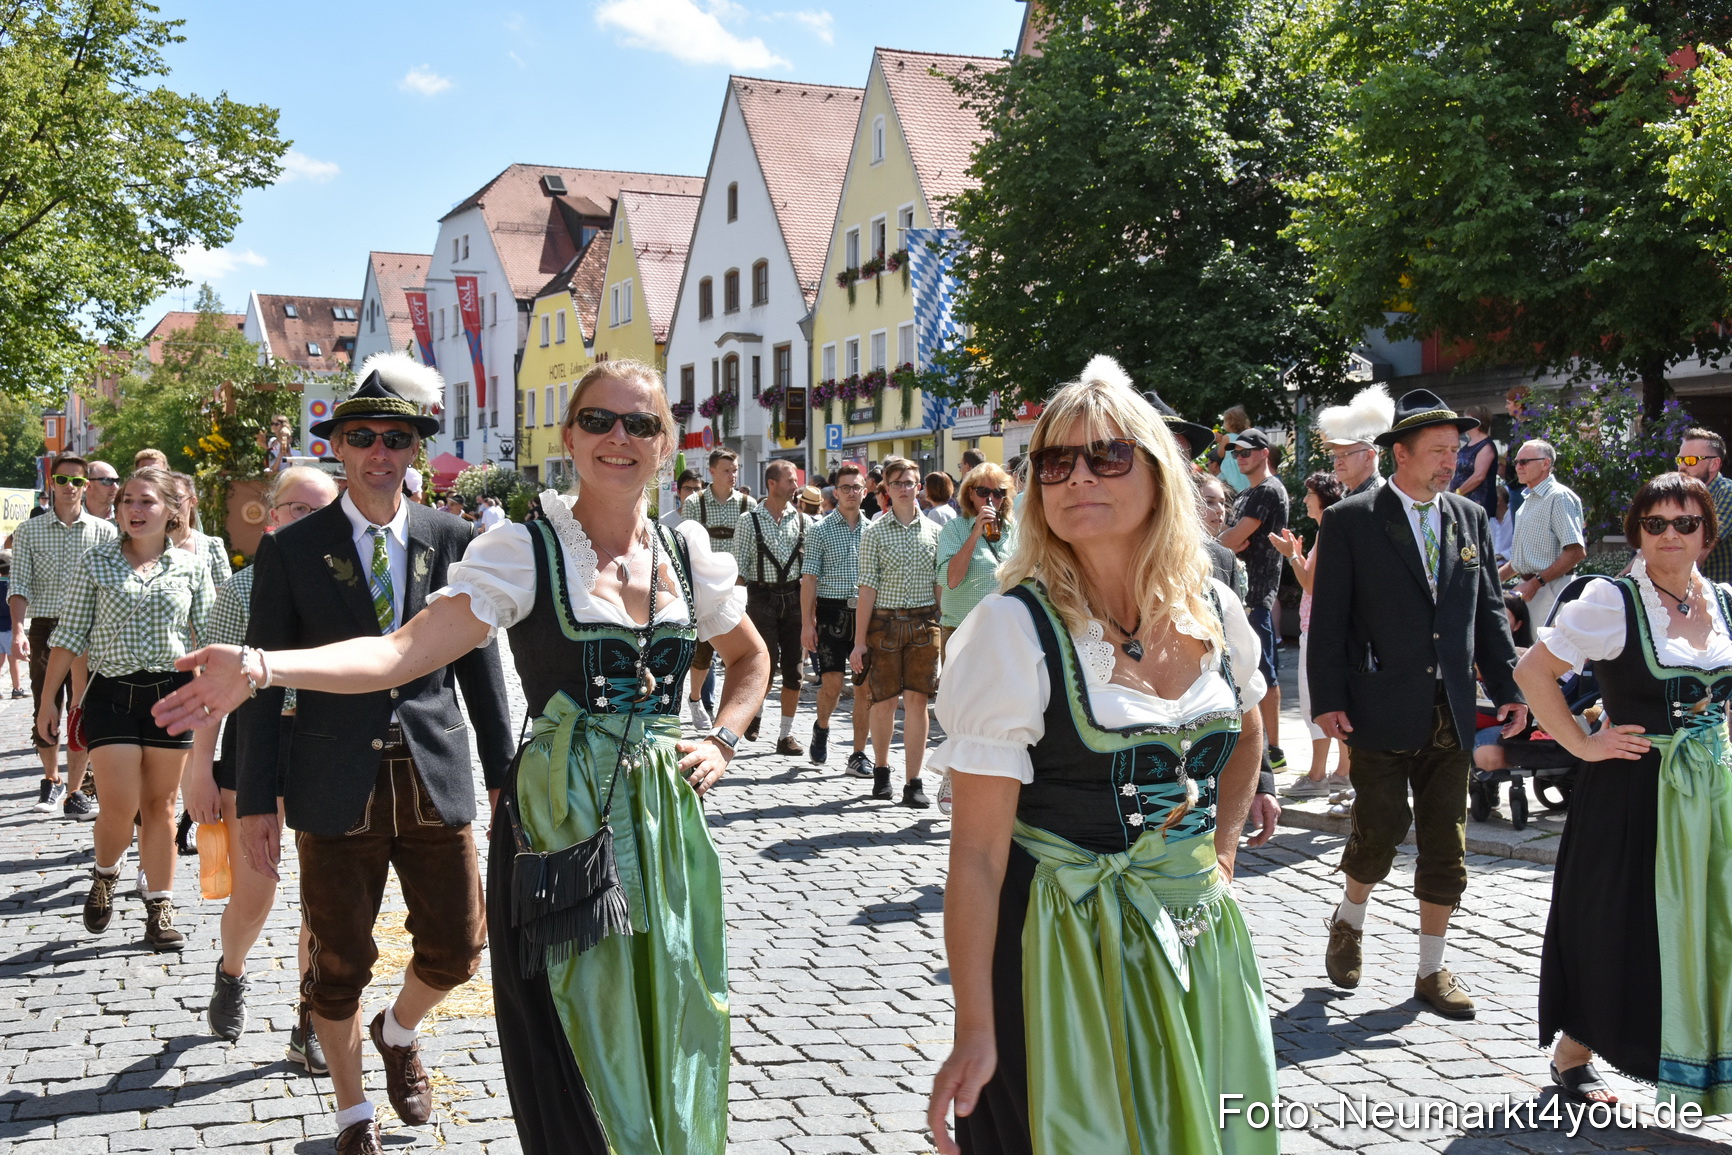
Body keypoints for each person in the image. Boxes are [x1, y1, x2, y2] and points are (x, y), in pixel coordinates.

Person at [154, 356, 768, 1155]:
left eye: (640, 423)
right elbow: (399, 654)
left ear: (668, 443)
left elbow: (750, 658)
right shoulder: (524, 548)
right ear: (568, 437)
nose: (619, 438)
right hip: (560, 824)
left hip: (664, 834)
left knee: (678, 1011)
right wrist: (265, 667)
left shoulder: (687, 551)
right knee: (582, 1028)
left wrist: (722, 735)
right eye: (598, 421)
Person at [926, 355, 1275, 1155]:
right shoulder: (1013, 630)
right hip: (1062, 953)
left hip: (1198, 942)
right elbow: (977, 854)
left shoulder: (1214, 605)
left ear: (1157, 474)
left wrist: (1220, 850)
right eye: (1055, 462)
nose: (1078, 475)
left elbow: (1249, 729)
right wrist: (974, 1026)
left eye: (1107, 455)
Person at [174, 353, 516, 1155]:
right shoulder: (292, 551)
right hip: (332, 780)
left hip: (433, 770)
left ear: (414, 448)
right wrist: (254, 800)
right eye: (361, 435)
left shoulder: (452, 538)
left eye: (396, 436)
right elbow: (259, 680)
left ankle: (399, 1032)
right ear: (340, 447)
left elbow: (481, 671)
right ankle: (352, 1112)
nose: (379, 450)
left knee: (461, 948)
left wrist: (504, 777)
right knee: (339, 961)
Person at [1518, 472, 1732, 1115]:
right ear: (1638, 531)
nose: (1670, 535)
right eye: (1656, 523)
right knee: (1619, 921)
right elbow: (1533, 671)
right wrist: (1582, 746)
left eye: (1684, 523)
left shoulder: (1721, 600)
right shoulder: (1612, 601)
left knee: (1713, 920)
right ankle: (1575, 1055)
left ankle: (1708, 1051)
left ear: (1707, 534)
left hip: (1713, 793)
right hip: (1635, 791)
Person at [1308, 388, 1527, 1019]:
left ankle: (1431, 969)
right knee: (1379, 830)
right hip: (1377, 704)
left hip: (1452, 707)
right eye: (1437, 451)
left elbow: (1487, 612)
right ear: (1398, 454)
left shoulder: (1469, 517)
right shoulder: (1352, 518)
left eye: (1456, 451)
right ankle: (1350, 917)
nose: (1450, 463)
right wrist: (1327, 699)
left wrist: (1508, 690)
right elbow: (1329, 621)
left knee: (1445, 842)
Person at [182, 466, 339, 1069]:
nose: (307, 520)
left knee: (325, 899)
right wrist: (200, 766)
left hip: (328, 743)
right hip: (256, 742)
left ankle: (313, 1019)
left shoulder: (351, 583)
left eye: (319, 509)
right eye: (295, 509)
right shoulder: (242, 590)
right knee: (256, 893)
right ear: (272, 518)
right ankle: (232, 969)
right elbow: (208, 686)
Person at [39, 467, 215, 951]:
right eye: (127, 502)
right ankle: (105, 873)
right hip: (110, 694)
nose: (134, 511)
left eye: (147, 502)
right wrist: (46, 703)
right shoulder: (95, 562)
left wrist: (219, 697)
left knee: (160, 806)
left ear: (171, 511)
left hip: (172, 694)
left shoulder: (191, 568)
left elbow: (212, 638)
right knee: (119, 806)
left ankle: (159, 907)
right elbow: (69, 635)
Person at [10, 453, 117, 818]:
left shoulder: (105, 532)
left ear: (85, 486)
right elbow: (20, 583)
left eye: (76, 481)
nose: (69, 487)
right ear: (51, 484)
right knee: (45, 701)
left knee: (82, 706)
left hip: (91, 627)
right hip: (46, 625)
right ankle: (51, 778)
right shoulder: (29, 531)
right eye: (61, 480)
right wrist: (18, 632)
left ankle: (74, 791)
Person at [851, 456, 942, 808]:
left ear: (919, 486)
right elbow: (867, 589)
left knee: (918, 702)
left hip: (923, 624)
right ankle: (881, 769)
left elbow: (939, 587)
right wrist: (859, 642)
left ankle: (914, 781)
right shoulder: (874, 532)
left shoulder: (935, 532)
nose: (904, 489)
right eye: (897, 483)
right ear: (885, 489)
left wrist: (945, 629)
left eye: (910, 482)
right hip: (884, 625)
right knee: (884, 700)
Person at [1271, 472, 1352, 799]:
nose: (1304, 500)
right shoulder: (1336, 530)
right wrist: (1298, 556)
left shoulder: (1330, 531)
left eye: (1309, 495)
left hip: (1317, 629)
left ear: (1323, 498)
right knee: (1337, 702)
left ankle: (1319, 775)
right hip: (1327, 628)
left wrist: (1291, 555)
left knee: (1314, 702)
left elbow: (1309, 585)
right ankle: (1341, 773)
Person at [1217, 427, 1289, 770]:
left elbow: (1234, 538)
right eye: (1236, 453)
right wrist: (1225, 539)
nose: (1240, 457)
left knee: (1263, 674)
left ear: (1265, 453)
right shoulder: (1249, 492)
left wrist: (1223, 540)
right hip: (1239, 596)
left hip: (1256, 596)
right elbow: (1227, 539)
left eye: (1246, 452)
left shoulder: (1269, 490)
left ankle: (1273, 751)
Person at [734, 459, 814, 754]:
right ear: (772, 484)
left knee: (794, 672)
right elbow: (739, 568)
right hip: (761, 598)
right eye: (791, 480)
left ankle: (785, 735)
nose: (796, 485)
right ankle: (754, 714)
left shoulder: (804, 520)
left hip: (794, 598)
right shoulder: (748, 521)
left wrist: (810, 612)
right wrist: (733, 609)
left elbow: (810, 570)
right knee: (763, 667)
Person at [802, 462, 872, 773]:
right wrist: (807, 624)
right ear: (836, 492)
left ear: (864, 491)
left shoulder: (874, 530)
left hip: (867, 614)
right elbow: (809, 580)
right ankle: (822, 725)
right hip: (831, 613)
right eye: (845, 488)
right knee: (832, 684)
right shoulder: (819, 530)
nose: (851, 493)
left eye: (856, 487)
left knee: (864, 688)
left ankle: (858, 754)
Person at [682, 448, 756, 730]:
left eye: (735, 469)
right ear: (712, 471)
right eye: (726, 470)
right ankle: (695, 698)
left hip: (736, 587)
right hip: (703, 586)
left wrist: (744, 581)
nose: (733, 475)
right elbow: (687, 546)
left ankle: (733, 708)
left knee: (738, 653)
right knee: (701, 654)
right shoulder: (694, 503)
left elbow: (752, 547)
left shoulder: (748, 504)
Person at [1498, 439, 1586, 628]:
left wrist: (1535, 583)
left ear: (1546, 463)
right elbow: (1525, 559)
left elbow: (1575, 552)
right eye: (1516, 462)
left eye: (1524, 462)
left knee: (1548, 653)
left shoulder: (1559, 496)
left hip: (1551, 589)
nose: (1518, 467)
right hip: (1533, 589)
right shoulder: (1529, 500)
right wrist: (1493, 579)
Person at [1316, 384, 1393, 497]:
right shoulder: (1349, 496)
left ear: (1368, 456)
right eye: (1335, 456)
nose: (1338, 462)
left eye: (1345, 454)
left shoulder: (1382, 498)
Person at [1677, 427, 1732, 583]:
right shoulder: (1681, 494)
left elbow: (1706, 544)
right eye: (1680, 460)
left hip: (1722, 597)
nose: (1682, 467)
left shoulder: (1727, 493)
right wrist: (1620, 579)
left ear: (1714, 464)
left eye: (1690, 460)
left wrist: (1672, 584)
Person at [168, 472, 234, 591]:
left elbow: (222, 595)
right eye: (166, 497)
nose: (172, 503)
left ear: (193, 501)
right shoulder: (148, 544)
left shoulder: (211, 546)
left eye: (177, 497)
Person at [1452, 405, 1500, 517]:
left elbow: (1479, 476)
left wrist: (1458, 493)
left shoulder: (1486, 446)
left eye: (1466, 418)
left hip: (1478, 503)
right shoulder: (1467, 445)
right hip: (1461, 501)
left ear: (1476, 421)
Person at [1212, 403, 1253, 491]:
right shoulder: (1246, 436)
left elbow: (1220, 454)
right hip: (1243, 470)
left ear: (1229, 423)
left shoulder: (1228, 437)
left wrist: (1220, 441)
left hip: (1231, 471)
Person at [0, 553, 18, 698]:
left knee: (0, 662)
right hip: (9, 628)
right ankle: (17, 688)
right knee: (13, 661)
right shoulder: (10, 587)